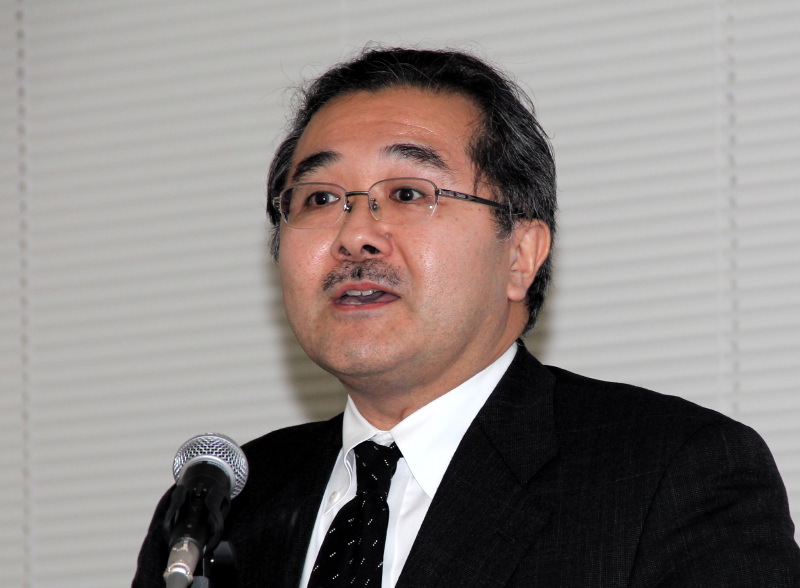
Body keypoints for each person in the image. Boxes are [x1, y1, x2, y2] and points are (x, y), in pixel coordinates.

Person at [133, 46, 800, 587]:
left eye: (407, 193)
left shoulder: (669, 476)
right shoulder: (216, 512)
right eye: (320, 198)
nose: (355, 235)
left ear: (520, 254)